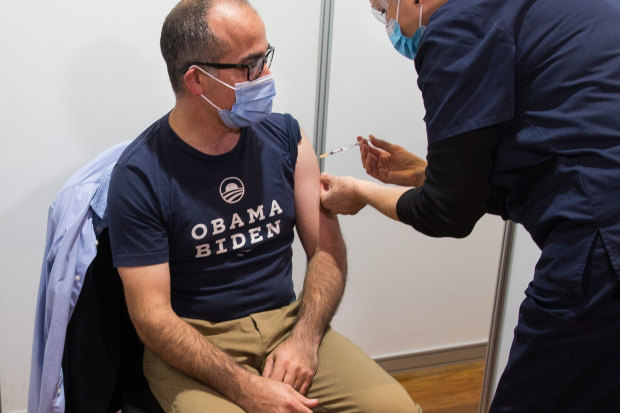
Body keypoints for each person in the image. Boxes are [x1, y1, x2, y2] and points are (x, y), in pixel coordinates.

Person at [107, 1, 421, 412]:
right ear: (197, 80)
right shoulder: (140, 175)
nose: (267, 76)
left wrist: (305, 341)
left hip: (287, 324)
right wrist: (244, 387)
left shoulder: (287, 139)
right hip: (195, 345)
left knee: (393, 408)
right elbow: (152, 317)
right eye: (250, 65)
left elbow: (327, 252)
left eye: (266, 57)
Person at [320, 0, 620, 411]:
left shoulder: (458, 28)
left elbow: (448, 212)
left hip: (603, 237)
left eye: (382, 10)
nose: (389, 26)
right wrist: (424, 174)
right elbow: (552, 133)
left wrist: (361, 192)